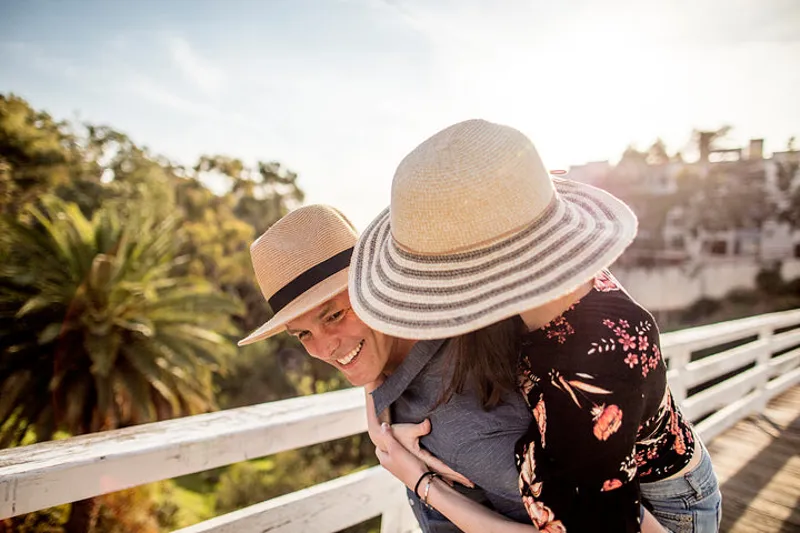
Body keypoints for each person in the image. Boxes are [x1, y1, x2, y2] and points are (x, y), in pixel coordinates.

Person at [349, 119, 722, 532]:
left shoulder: (593, 371)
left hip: (666, 505)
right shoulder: (544, 263)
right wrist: (378, 420)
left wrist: (421, 483)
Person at [238, 204, 534, 532]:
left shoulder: (460, 419)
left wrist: (422, 482)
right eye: (303, 334)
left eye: (333, 315)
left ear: (373, 286)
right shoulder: (403, 348)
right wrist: (379, 426)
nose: (324, 349)